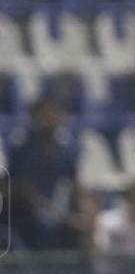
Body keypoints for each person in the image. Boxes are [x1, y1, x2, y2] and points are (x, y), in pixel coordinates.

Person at [7, 96, 95, 252]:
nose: (50, 119)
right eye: (44, 115)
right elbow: (28, 194)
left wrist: (86, 210)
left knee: (85, 227)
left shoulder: (65, 153)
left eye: (54, 114)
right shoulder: (22, 151)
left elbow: (75, 185)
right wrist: (63, 218)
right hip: (27, 216)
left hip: (60, 214)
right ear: (33, 118)